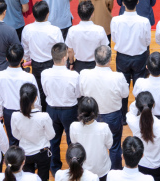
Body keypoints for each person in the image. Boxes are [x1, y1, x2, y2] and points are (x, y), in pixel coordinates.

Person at [79, 46, 128, 170]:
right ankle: (115, 172)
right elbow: (125, 94)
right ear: (110, 59)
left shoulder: (84, 74)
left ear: (94, 58)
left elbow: (81, 92)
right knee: (115, 146)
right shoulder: (118, 77)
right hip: (113, 116)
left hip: (91, 115)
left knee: (93, 144)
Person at [111, 0, 151, 121]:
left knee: (123, 87)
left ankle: (123, 117)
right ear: (137, 2)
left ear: (123, 3)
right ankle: (140, 115)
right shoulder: (144, 21)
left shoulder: (116, 20)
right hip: (140, 58)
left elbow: (114, 39)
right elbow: (147, 41)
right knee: (140, 87)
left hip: (122, 58)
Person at [41, 43, 81, 175]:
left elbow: (45, 92)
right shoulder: (74, 75)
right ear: (65, 58)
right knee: (72, 140)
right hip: (70, 111)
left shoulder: (45, 73)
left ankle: (54, 168)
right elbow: (78, 94)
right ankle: (73, 167)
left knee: (53, 140)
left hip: (52, 110)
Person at [0, 44, 41, 146]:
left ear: (6, 58)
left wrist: (0, 113)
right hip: (27, 112)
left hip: (8, 113)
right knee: (28, 141)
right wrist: (37, 111)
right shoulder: (29, 77)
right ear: (22, 59)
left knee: (13, 141)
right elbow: (36, 99)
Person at [21, 0, 63, 111]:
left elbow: (25, 48)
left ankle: (42, 111)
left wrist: (27, 59)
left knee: (39, 90)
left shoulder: (27, 29)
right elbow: (61, 49)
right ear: (47, 14)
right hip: (51, 64)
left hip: (36, 65)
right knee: (53, 89)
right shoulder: (55, 30)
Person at [11, 84, 55, 181]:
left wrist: (25, 137)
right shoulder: (44, 116)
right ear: (35, 98)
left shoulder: (15, 115)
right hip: (42, 152)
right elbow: (51, 135)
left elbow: (15, 134)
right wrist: (42, 138)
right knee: (43, 178)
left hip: (25, 153)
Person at [127, 92, 160, 181]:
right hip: (158, 165)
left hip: (141, 163)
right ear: (153, 105)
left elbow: (130, 111)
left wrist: (140, 103)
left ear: (137, 106)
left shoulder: (132, 122)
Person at [69, 97, 114, 180]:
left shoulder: (73, 126)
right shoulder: (104, 127)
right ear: (96, 112)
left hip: (83, 170)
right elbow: (109, 145)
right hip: (102, 169)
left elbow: (74, 145)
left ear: (79, 111)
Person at [67, 0, 109, 73]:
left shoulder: (72, 30)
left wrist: (71, 63)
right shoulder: (99, 30)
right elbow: (104, 49)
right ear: (92, 14)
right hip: (96, 65)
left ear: (78, 14)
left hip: (79, 65)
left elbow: (70, 50)